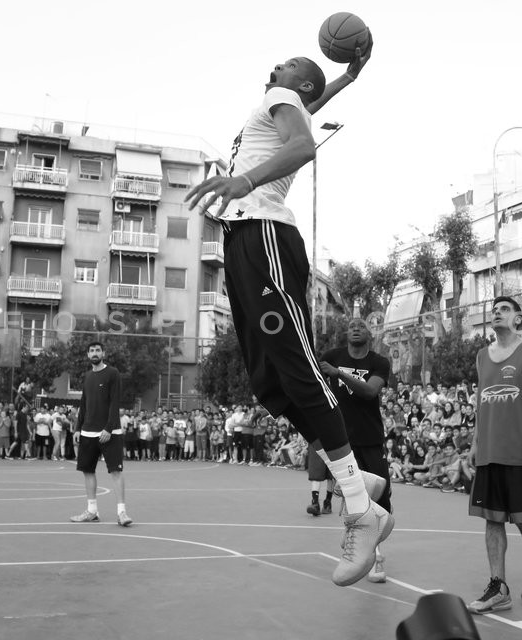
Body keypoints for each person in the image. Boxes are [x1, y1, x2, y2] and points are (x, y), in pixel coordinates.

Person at [184, 46, 391, 588]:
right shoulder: (285, 100)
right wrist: (347, 77)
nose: (281, 62)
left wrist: (243, 182)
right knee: (268, 381)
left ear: (295, 83)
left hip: (264, 234)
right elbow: (313, 104)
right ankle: (360, 481)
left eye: (294, 62)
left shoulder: (280, 98)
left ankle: (360, 511)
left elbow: (304, 145)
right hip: (243, 240)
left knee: (298, 368)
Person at [467, 296, 522, 614]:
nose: (496, 313)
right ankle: (498, 587)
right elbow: (480, 402)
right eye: (494, 309)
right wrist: (476, 442)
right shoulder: (481, 356)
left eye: (504, 309)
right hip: (489, 451)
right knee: (492, 520)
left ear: (519, 318)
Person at [318, 316, 393, 582]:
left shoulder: (378, 362)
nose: (356, 328)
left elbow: (370, 392)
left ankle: (374, 551)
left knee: (381, 496)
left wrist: (340, 374)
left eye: (361, 326)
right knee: (352, 494)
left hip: (370, 437)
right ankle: (368, 556)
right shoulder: (331, 355)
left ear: (370, 333)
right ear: (346, 334)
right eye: (352, 326)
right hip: (341, 440)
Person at [71, 342, 131, 527]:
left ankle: (122, 513)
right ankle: (91, 511)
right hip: (87, 432)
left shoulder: (113, 373)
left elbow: (115, 403)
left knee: (116, 471)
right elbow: (84, 403)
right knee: (88, 471)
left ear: (103, 353)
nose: (94, 353)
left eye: (98, 350)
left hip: (110, 432)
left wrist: (108, 428)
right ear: (88, 355)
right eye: (91, 351)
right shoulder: (87, 376)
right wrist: (78, 428)